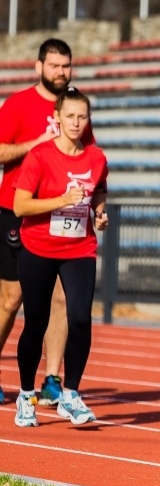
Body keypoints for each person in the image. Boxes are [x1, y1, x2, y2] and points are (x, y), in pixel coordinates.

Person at [0, 39, 92, 407]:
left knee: (61, 299)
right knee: (11, 299)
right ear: (38, 67)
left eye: (66, 66)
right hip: (17, 209)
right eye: (54, 65)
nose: (61, 72)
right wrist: (36, 143)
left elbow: (89, 155)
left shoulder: (75, 109)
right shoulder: (19, 104)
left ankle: (52, 378)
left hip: (64, 217)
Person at [13, 87, 108, 427]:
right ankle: (26, 395)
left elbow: (99, 189)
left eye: (82, 116)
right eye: (70, 116)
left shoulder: (96, 157)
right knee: (36, 323)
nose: (76, 122)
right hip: (38, 247)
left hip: (80, 248)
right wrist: (61, 200)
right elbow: (20, 205)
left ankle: (70, 394)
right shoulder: (39, 156)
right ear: (57, 117)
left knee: (80, 318)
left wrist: (100, 211)